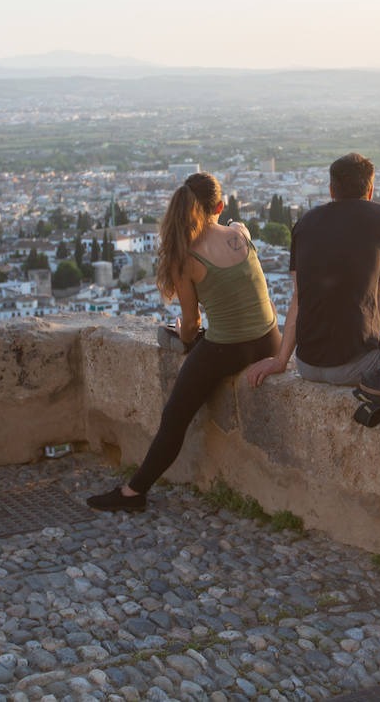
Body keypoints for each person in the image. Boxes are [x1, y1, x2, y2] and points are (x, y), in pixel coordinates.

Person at [88, 173, 279, 512]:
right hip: (269, 342)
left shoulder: (185, 257)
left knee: (175, 415)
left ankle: (133, 493)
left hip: (229, 347)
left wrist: (185, 334)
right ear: (219, 206)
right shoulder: (240, 234)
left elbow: (191, 325)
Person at [247, 152, 380, 389]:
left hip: (307, 365)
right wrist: (374, 346)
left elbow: (299, 297)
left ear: (331, 190)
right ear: (370, 191)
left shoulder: (304, 223)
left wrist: (280, 360)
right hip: (356, 366)